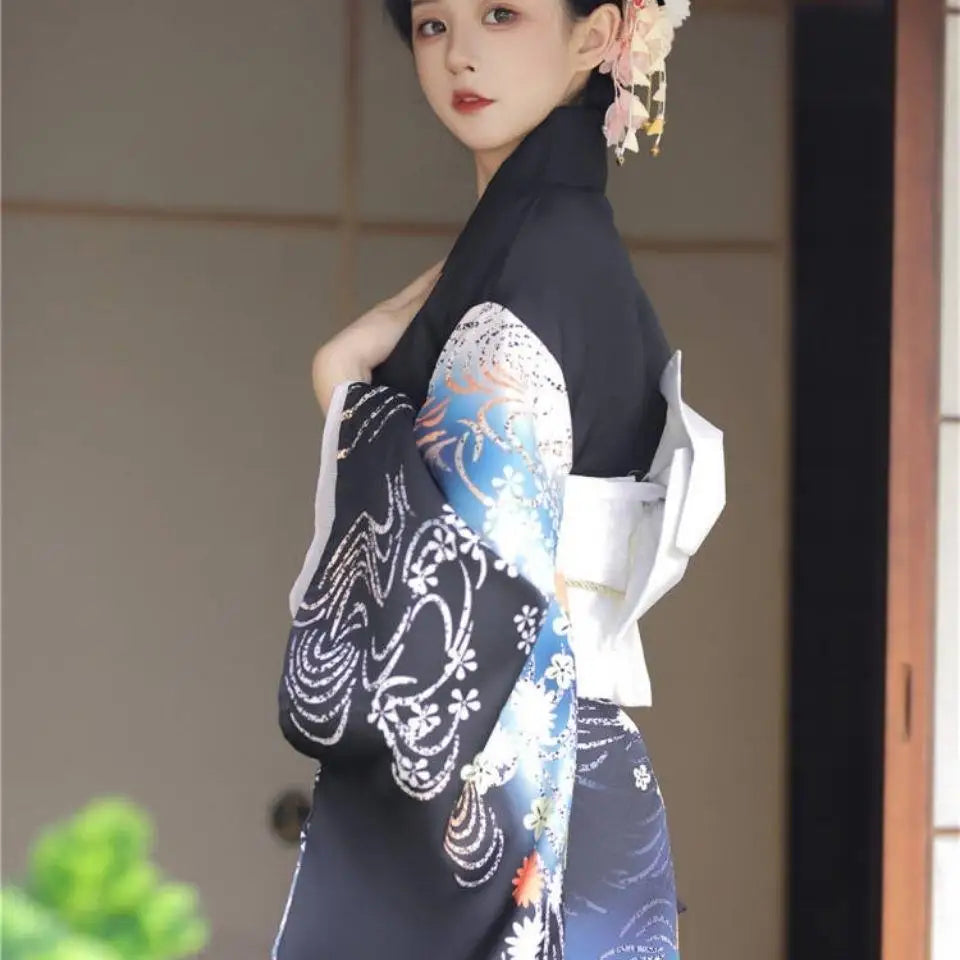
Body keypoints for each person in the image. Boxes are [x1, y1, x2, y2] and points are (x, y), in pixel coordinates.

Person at [273, 2, 723, 958]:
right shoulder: (533, 243)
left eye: (501, 13)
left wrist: (344, 386)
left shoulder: (544, 253)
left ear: (600, 33)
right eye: (432, 25)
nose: (460, 52)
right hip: (553, 754)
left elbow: (465, 595)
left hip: (519, 773)